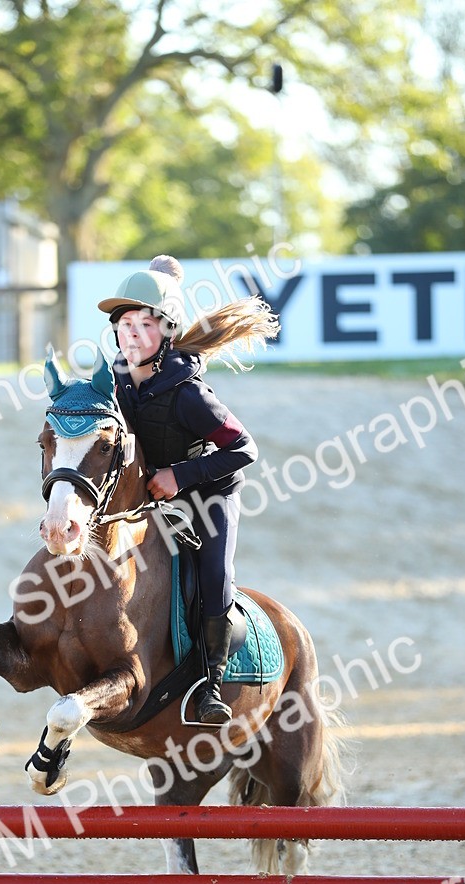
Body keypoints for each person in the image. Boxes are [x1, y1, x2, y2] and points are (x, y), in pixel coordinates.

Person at [97, 255, 278, 724]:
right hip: (150, 498)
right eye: (124, 324)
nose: (131, 333)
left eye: (143, 323)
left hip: (209, 494)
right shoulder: (116, 382)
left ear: (167, 333)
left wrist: (180, 475)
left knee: (215, 579)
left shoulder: (191, 395)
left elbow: (245, 448)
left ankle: (212, 685)